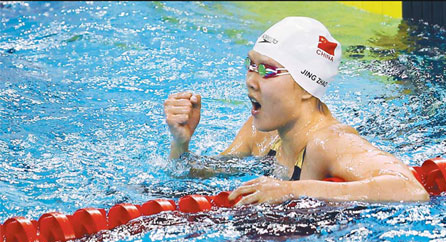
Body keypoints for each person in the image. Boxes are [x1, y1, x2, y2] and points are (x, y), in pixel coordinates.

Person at [164, 17, 430, 205]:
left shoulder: (330, 142)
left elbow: (410, 189)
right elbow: (202, 173)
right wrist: (181, 144)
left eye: (267, 70)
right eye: (251, 64)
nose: (250, 80)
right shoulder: (262, 132)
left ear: (306, 87)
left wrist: (292, 190)